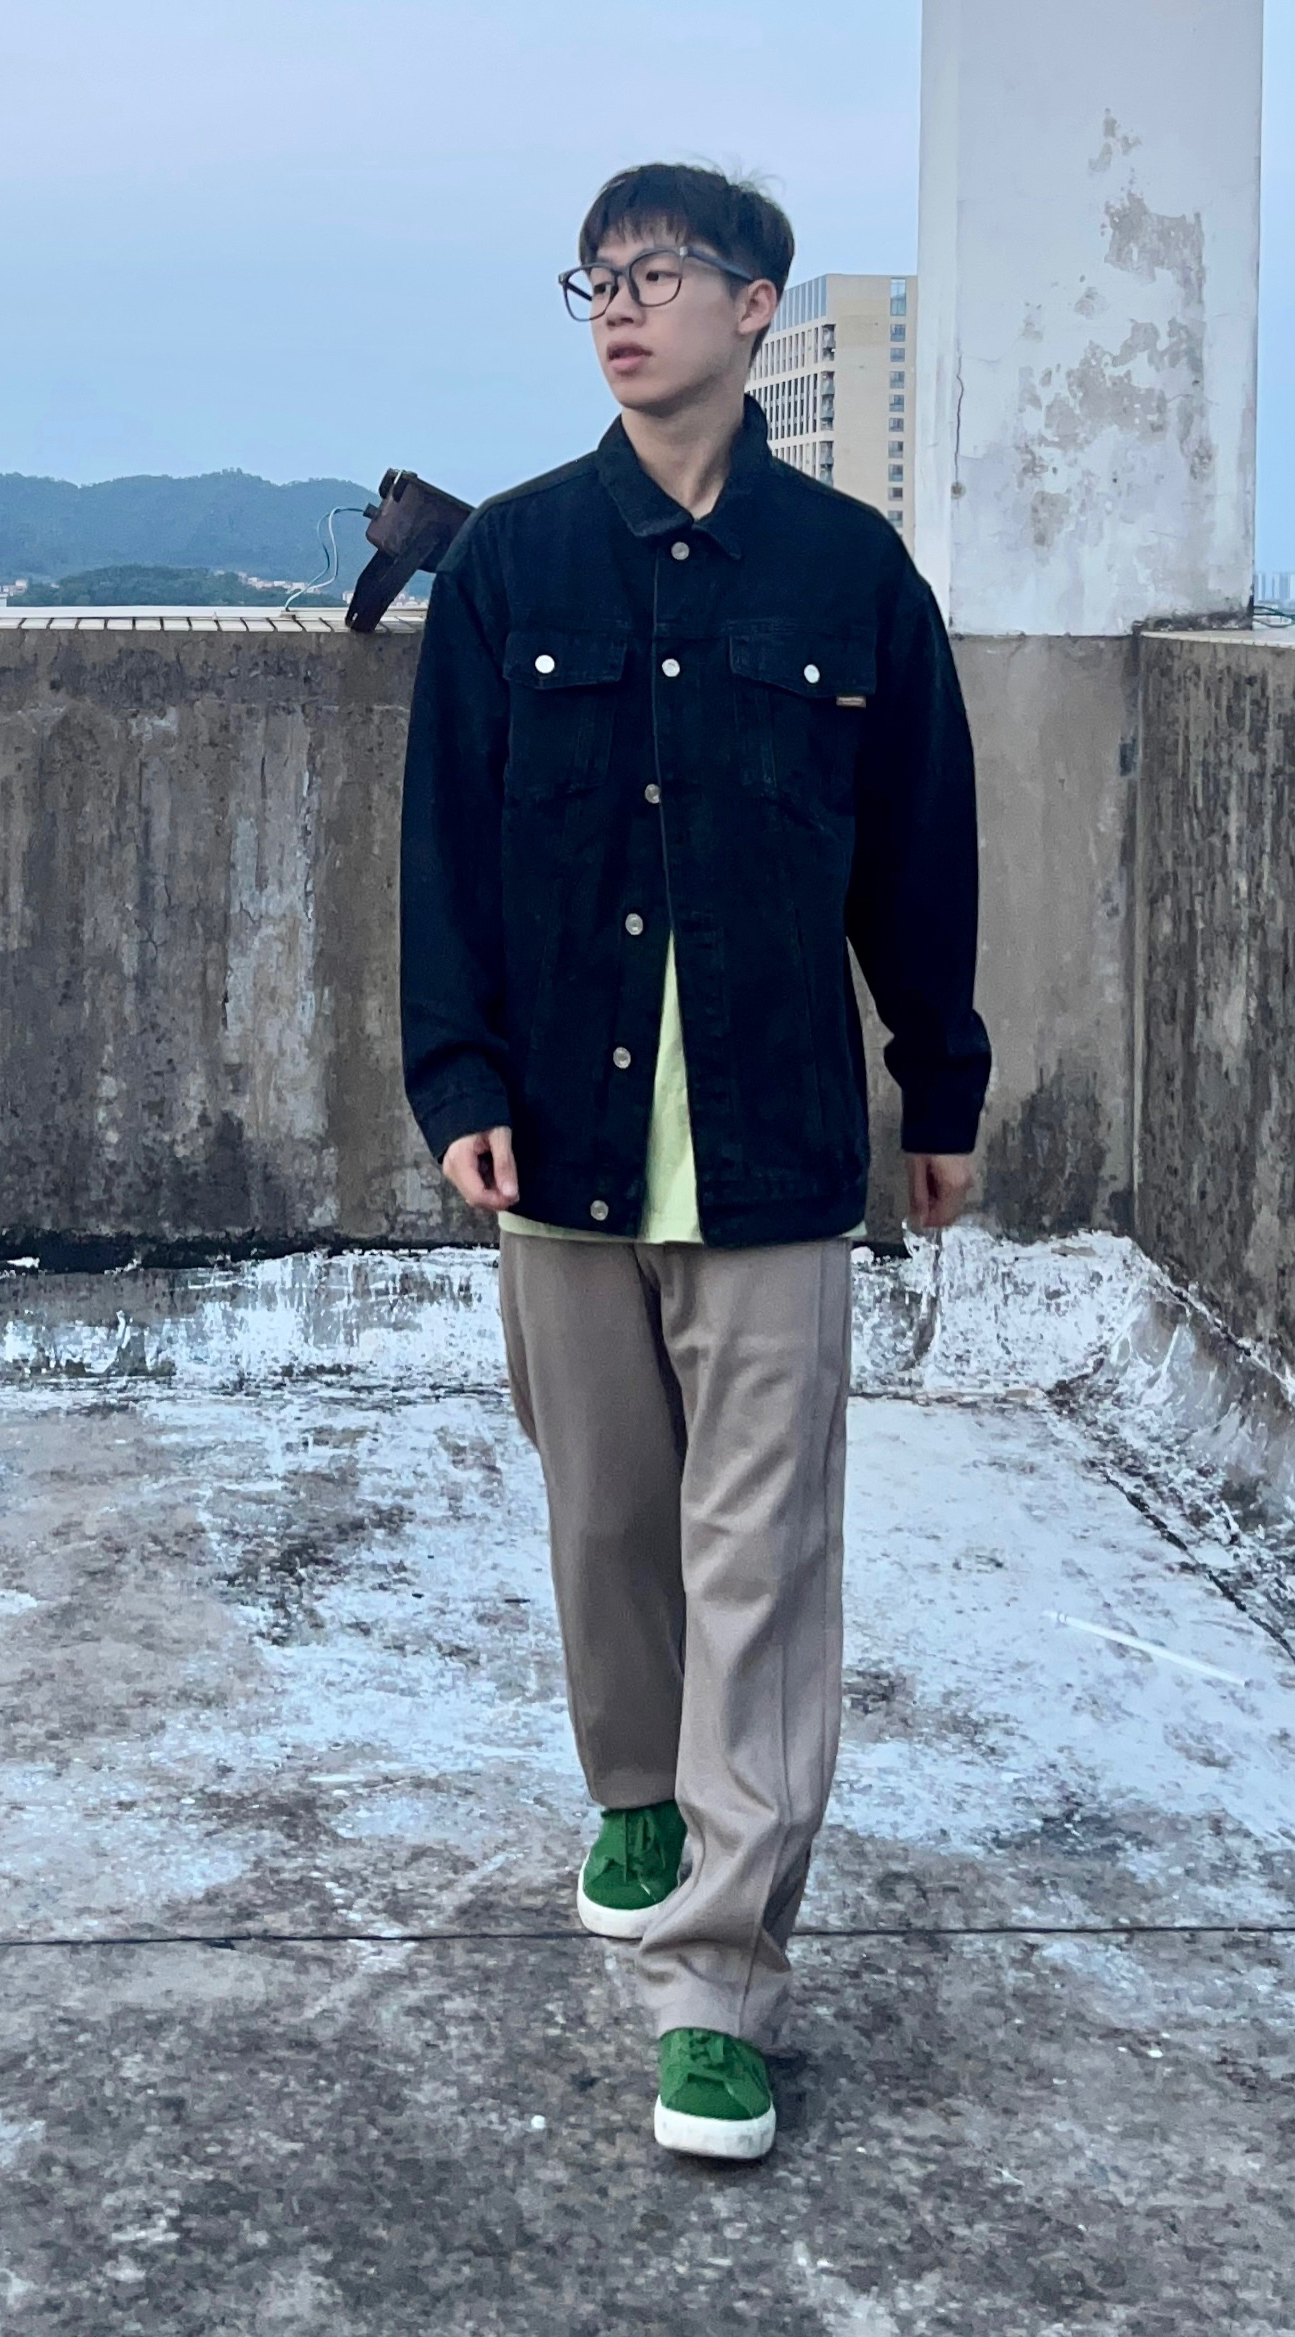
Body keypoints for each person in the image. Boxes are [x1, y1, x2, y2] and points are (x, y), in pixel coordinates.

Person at [399, 161, 991, 2161]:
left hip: (773, 1147)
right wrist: (454, 1075)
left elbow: (918, 851)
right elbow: (440, 851)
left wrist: (939, 1087)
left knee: (766, 1559)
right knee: (605, 1518)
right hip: (560, 1141)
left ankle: (719, 1978)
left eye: (656, 275)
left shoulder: (847, 574)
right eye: (594, 279)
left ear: (754, 308)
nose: (618, 307)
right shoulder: (512, 565)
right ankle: (635, 1787)